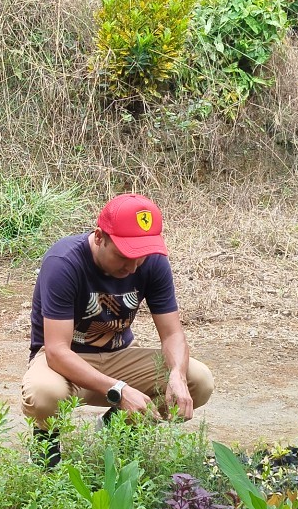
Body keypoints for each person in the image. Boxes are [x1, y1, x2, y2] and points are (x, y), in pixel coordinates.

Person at [21, 193, 214, 461]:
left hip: (120, 355)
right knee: (45, 394)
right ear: (100, 237)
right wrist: (119, 390)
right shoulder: (64, 262)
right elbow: (56, 351)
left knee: (198, 380)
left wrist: (177, 376)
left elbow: (172, 334)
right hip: (65, 363)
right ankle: (46, 454)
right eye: (124, 255)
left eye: (140, 256)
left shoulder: (153, 262)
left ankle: (116, 427)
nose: (133, 266)